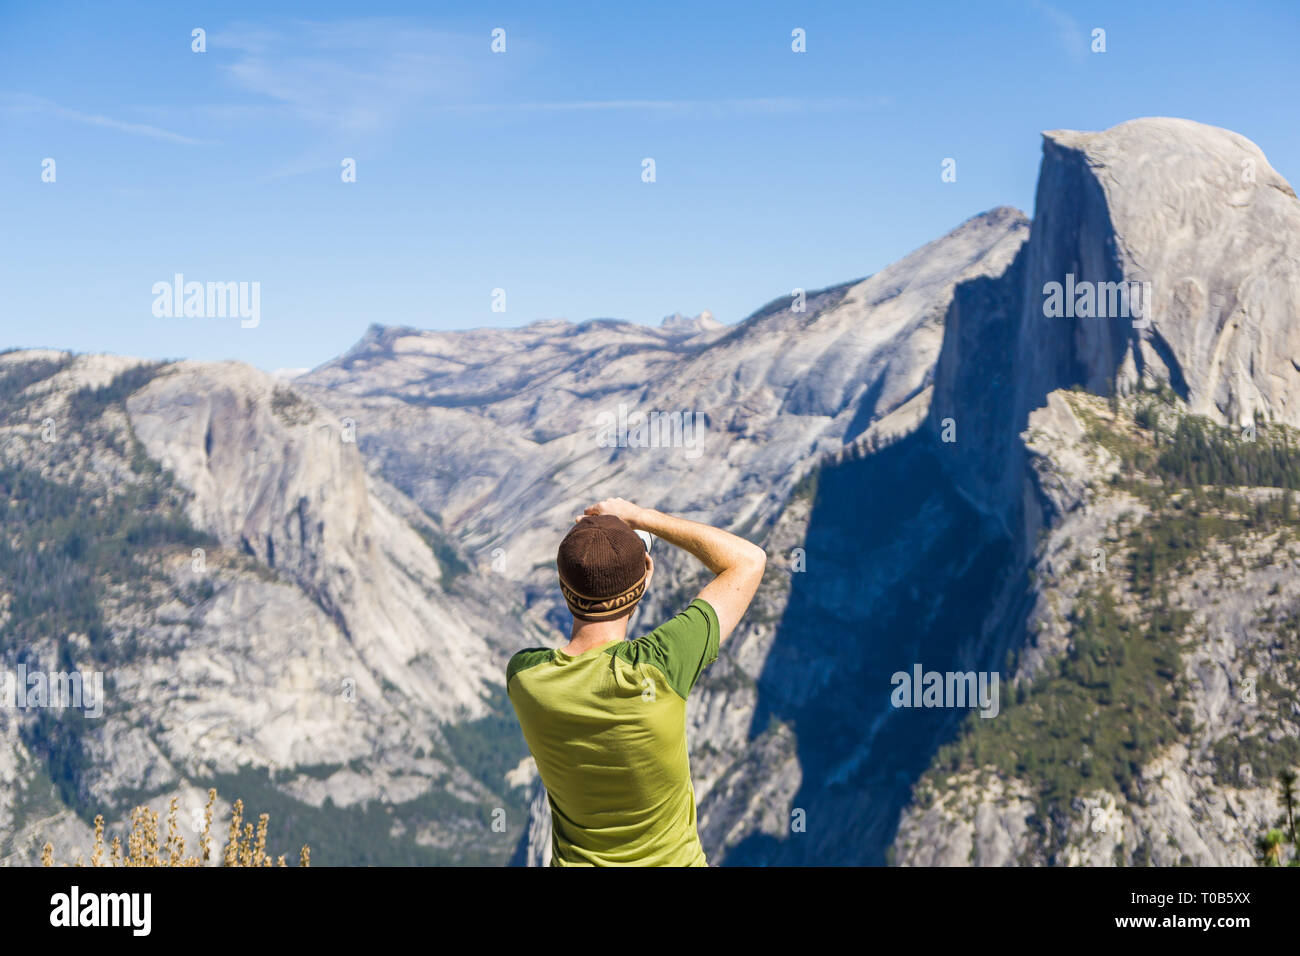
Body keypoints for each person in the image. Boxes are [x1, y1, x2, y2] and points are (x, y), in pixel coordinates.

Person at [506, 497, 767, 866]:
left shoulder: (526, 677)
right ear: (647, 573)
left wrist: (587, 553)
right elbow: (748, 560)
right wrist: (644, 518)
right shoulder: (660, 666)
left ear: (564, 587)